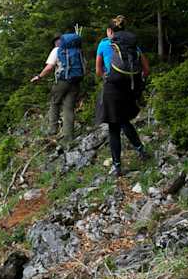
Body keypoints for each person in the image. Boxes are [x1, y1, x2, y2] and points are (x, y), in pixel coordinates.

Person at [95, 15, 150, 175]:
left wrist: (107, 76)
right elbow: (146, 70)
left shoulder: (104, 44)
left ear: (109, 31)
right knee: (125, 121)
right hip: (129, 87)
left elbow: (98, 71)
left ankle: (117, 166)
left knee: (113, 126)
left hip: (112, 88)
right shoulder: (134, 46)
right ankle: (141, 150)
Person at [31, 29, 85, 143]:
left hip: (62, 81)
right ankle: (68, 137)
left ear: (57, 41)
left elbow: (49, 67)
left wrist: (39, 76)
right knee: (69, 108)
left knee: (54, 102)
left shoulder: (57, 50)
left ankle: (52, 129)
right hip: (75, 81)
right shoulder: (77, 50)